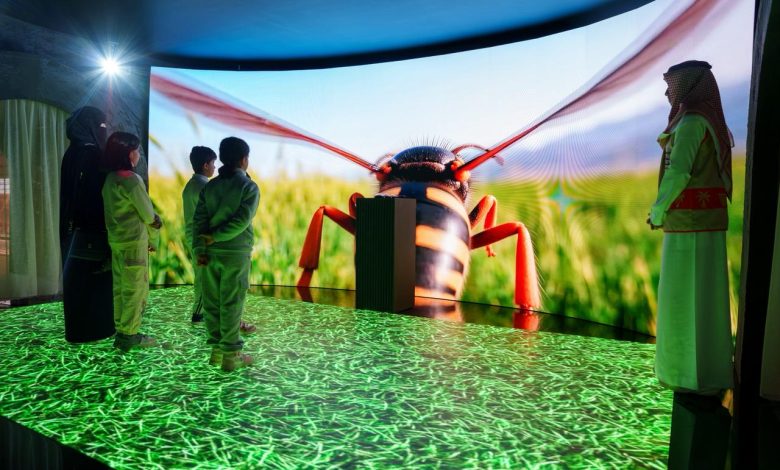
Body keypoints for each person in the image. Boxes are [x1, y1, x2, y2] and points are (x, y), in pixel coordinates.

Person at [649, 60, 734, 395]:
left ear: (688, 85)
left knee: (681, 298)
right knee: (706, 296)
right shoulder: (707, 121)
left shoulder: (691, 123)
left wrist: (658, 211)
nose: (667, 93)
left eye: (671, 85)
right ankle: (709, 372)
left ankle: (682, 373)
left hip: (687, 226)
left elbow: (679, 172)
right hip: (706, 223)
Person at [193, 137, 259, 371]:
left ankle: (216, 351)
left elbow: (198, 221)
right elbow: (242, 221)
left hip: (209, 253)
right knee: (231, 301)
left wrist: (201, 247)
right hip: (235, 253)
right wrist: (217, 236)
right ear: (244, 159)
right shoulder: (249, 187)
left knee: (212, 302)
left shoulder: (210, 187)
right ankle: (232, 355)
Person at [102, 132, 162, 352]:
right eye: (136, 150)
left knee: (120, 288)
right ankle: (130, 335)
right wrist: (155, 232)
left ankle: (122, 331)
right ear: (128, 153)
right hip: (134, 243)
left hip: (116, 242)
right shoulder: (132, 180)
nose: (138, 155)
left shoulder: (110, 179)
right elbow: (148, 216)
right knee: (135, 290)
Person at [59, 106, 115, 343]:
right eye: (101, 125)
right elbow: (94, 197)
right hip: (92, 232)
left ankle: (77, 330)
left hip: (70, 230)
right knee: (93, 283)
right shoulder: (92, 154)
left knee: (75, 284)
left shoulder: (72, 152)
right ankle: (96, 331)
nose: (104, 130)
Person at [182, 146, 217, 323]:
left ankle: (203, 312)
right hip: (201, 240)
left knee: (202, 276)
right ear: (205, 165)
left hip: (195, 238)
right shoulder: (204, 187)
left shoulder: (191, 185)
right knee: (204, 279)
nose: (215, 167)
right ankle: (198, 313)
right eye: (213, 163)